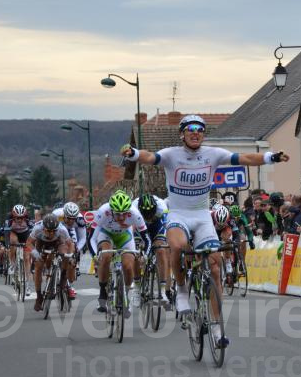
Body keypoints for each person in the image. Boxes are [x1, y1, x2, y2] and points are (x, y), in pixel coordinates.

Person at [120, 114, 288, 347]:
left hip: (201, 216)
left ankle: (217, 329)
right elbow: (150, 157)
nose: (195, 132)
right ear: (182, 134)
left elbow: (246, 157)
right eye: (190, 129)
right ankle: (181, 290)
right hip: (178, 214)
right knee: (177, 246)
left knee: (216, 266)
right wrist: (133, 154)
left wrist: (272, 157)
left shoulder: (213, 154)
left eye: (200, 129)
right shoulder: (171, 154)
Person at [92, 191, 150, 316]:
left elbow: (147, 239)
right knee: (106, 257)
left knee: (128, 266)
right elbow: (91, 238)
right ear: (111, 211)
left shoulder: (135, 213)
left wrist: (145, 255)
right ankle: (103, 292)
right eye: (118, 214)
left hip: (125, 236)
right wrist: (94, 256)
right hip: (106, 234)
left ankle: (126, 295)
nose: (122, 217)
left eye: (124, 213)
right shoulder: (103, 211)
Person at [27, 213, 76, 312]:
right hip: (42, 243)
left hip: (57, 242)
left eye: (54, 231)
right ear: (43, 228)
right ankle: (39, 296)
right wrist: (36, 254)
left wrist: (70, 256)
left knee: (65, 254)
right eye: (49, 231)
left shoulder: (62, 229)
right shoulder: (37, 228)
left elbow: (70, 244)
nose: (51, 233)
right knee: (38, 265)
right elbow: (28, 243)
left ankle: (63, 277)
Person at [135, 193, 172, 304]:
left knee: (161, 250)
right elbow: (130, 229)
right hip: (140, 225)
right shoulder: (133, 208)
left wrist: (161, 242)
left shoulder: (162, 207)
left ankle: (163, 291)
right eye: (146, 216)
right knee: (136, 252)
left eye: (150, 215)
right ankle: (136, 289)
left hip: (157, 225)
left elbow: (166, 227)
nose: (149, 218)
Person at [5, 204, 34, 294]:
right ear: (14, 217)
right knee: (13, 242)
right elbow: (6, 231)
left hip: (25, 234)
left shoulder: (28, 218)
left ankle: (27, 285)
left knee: (27, 258)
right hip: (14, 233)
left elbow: (33, 231)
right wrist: (8, 244)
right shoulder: (9, 218)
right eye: (17, 218)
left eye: (22, 218)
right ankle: (12, 264)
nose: (20, 220)